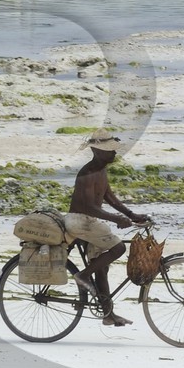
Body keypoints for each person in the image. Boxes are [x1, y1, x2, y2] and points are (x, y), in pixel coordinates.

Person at [65, 130, 150, 326]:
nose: (113, 154)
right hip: (80, 221)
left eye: (113, 151)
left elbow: (109, 198)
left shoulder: (100, 170)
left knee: (101, 268)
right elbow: (88, 207)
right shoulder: (87, 173)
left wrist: (131, 215)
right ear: (96, 151)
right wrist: (115, 219)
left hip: (89, 221)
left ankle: (108, 314)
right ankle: (83, 275)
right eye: (109, 151)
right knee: (119, 248)